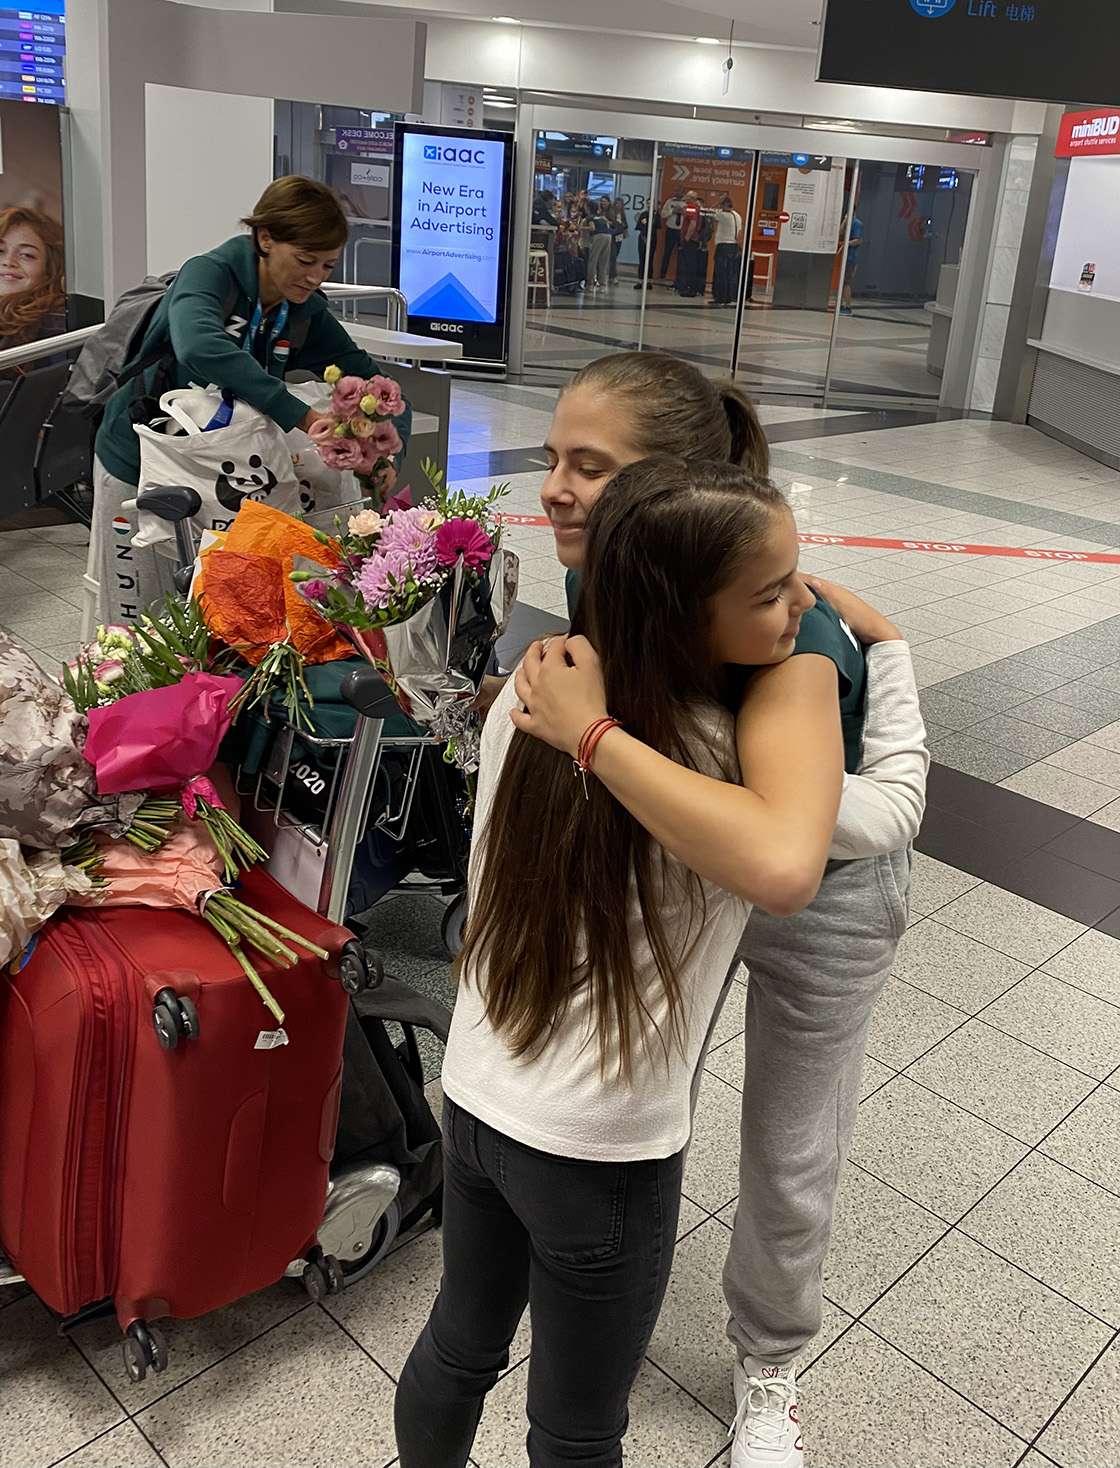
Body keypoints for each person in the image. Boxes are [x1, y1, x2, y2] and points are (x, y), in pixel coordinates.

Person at [395, 454, 848, 1468]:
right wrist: (881, 655)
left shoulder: (527, 697)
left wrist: (591, 727)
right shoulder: (717, 766)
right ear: (683, 617)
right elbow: (792, 861)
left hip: (478, 1099)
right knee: (577, 1426)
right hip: (597, 1152)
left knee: (459, 1345)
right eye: (771, 594)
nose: (804, 607)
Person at [528, 351, 926, 1468]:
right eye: (554, 458)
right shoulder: (604, 580)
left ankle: (770, 1361)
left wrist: (607, 744)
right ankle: (601, 1308)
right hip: (686, 877)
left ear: (675, 490)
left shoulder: (796, 639)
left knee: (790, 1150)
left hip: (826, 902)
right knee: (639, 1106)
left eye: (590, 467)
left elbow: (819, 833)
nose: (553, 489)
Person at [91, 175, 411, 626]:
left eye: (327, 265)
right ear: (265, 239)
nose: (315, 277)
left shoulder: (303, 311)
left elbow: (373, 379)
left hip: (221, 475)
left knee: (214, 618)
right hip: (141, 461)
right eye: (305, 260)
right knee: (138, 622)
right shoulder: (209, 274)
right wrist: (300, 415)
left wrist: (388, 450)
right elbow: (199, 346)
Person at [0, 206, 67, 364]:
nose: (8, 261)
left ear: (49, 269)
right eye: (0, 251)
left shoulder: (55, 325)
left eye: (27, 255)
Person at [710, 195, 743, 308]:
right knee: (729, 273)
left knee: (721, 272)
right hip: (733, 246)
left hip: (723, 245)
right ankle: (728, 297)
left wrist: (717, 202)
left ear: (723, 205)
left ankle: (721, 297)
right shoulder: (737, 216)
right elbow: (740, 232)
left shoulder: (722, 215)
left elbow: (710, 212)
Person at [675, 192, 705, 298]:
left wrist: (687, 237)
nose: (686, 198)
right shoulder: (697, 208)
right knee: (692, 264)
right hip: (693, 239)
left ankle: (690, 288)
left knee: (689, 265)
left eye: (688, 196)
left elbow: (693, 223)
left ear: (692, 198)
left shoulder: (691, 207)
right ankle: (691, 287)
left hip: (689, 239)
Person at [581, 202, 614, 291]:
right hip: (608, 236)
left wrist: (580, 228)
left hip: (598, 236)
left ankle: (590, 284)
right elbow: (609, 224)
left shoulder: (589, 217)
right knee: (604, 260)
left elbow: (592, 228)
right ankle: (602, 284)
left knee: (593, 259)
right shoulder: (601, 217)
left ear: (588, 208)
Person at [838, 210, 864, 314]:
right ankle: (840, 305)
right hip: (844, 257)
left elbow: (859, 240)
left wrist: (847, 243)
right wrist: (844, 222)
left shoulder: (857, 224)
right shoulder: (847, 223)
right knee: (841, 282)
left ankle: (848, 306)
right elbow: (840, 233)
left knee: (846, 282)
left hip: (850, 257)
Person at [633, 200, 660, 289]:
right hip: (642, 239)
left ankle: (648, 281)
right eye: (648, 203)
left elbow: (657, 226)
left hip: (652, 239)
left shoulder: (656, 215)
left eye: (651, 203)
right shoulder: (643, 215)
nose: (649, 205)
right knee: (642, 260)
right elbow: (639, 226)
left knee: (650, 260)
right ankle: (640, 281)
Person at [659, 191, 686, 280]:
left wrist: (683, 212)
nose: (678, 194)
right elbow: (663, 215)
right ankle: (662, 275)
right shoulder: (670, 201)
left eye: (680, 191)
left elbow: (693, 216)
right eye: (677, 191)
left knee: (681, 254)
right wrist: (672, 211)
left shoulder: (687, 203)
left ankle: (680, 277)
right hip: (671, 230)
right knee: (667, 252)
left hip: (682, 231)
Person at [609, 196, 629, 282]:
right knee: (613, 255)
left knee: (615, 255)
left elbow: (625, 224)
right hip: (613, 236)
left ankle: (611, 273)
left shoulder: (622, 214)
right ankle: (613, 275)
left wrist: (624, 230)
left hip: (619, 237)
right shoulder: (612, 213)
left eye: (620, 204)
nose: (618, 205)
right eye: (617, 203)